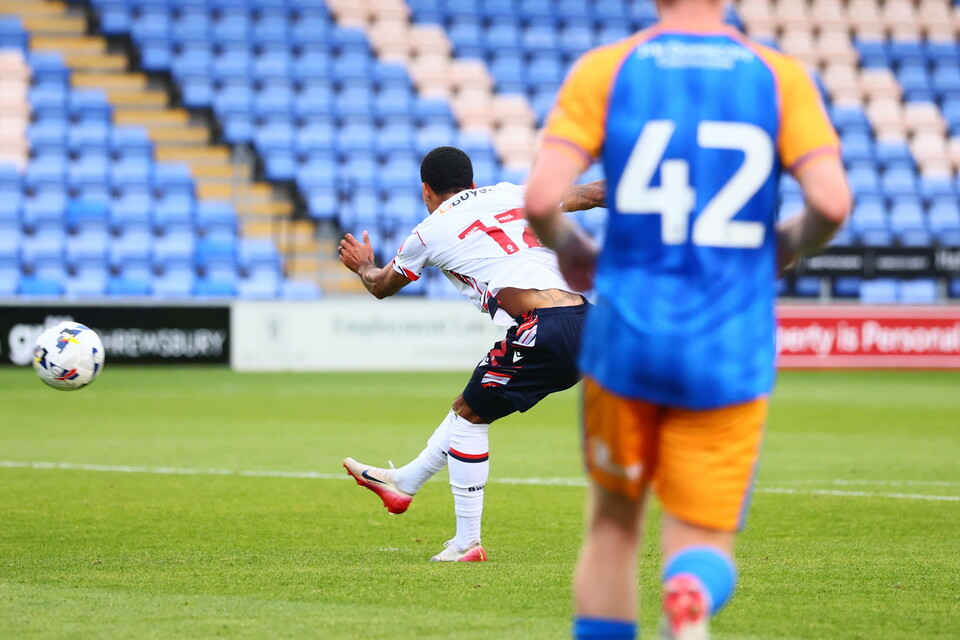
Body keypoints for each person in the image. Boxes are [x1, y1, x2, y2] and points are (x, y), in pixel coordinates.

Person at [523, 0, 851, 638]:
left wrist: (573, 250)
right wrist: (781, 246)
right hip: (728, 344)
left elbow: (540, 198)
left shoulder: (607, 69)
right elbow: (832, 203)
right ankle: (691, 587)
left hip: (625, 340)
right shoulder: (778, 75)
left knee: (614, 527)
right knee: (701, 535)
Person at [338, 146, 605, 562]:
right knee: (470, 405)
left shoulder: (427, 232)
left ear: (426, 190)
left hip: (542, 326)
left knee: (468, 419)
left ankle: (467, 543)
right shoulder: (513, 194)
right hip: (586, 322)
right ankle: (404, 482)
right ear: (474, 182)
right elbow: (591, 193)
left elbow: (381, 285)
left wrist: (362, 265)